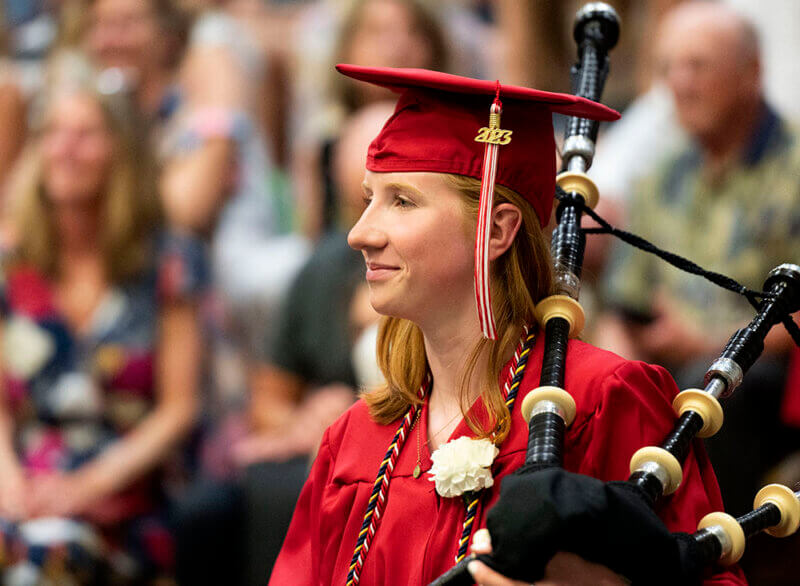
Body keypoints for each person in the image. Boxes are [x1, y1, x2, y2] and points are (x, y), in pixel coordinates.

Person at [268, 65, 746, 585]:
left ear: (497, 230)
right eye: (368, 199)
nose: (360, 233)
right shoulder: (353, 443)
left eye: (402, 201)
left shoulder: (600, 401)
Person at [598, 2, 800, 521]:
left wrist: (715, 342)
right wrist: (614, 372)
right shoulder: (660, 174)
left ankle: (694, 556)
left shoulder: (794, 165)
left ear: (751, 72)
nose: (680, 85)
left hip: (761, 372)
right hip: (668, 361)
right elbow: (623, 306)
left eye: (699, 66)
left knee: (707, 392)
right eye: (671, 68)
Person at [0, 66, 203, 582]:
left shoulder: (168, 261)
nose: (64, 148)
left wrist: (83, 488)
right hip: (23, 485)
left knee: (44, 562)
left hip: (125, 497)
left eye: (86, 134)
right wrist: (12, 490)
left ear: (123, 155)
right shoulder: (12, 261)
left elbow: (179, 410)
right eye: (53, 132)